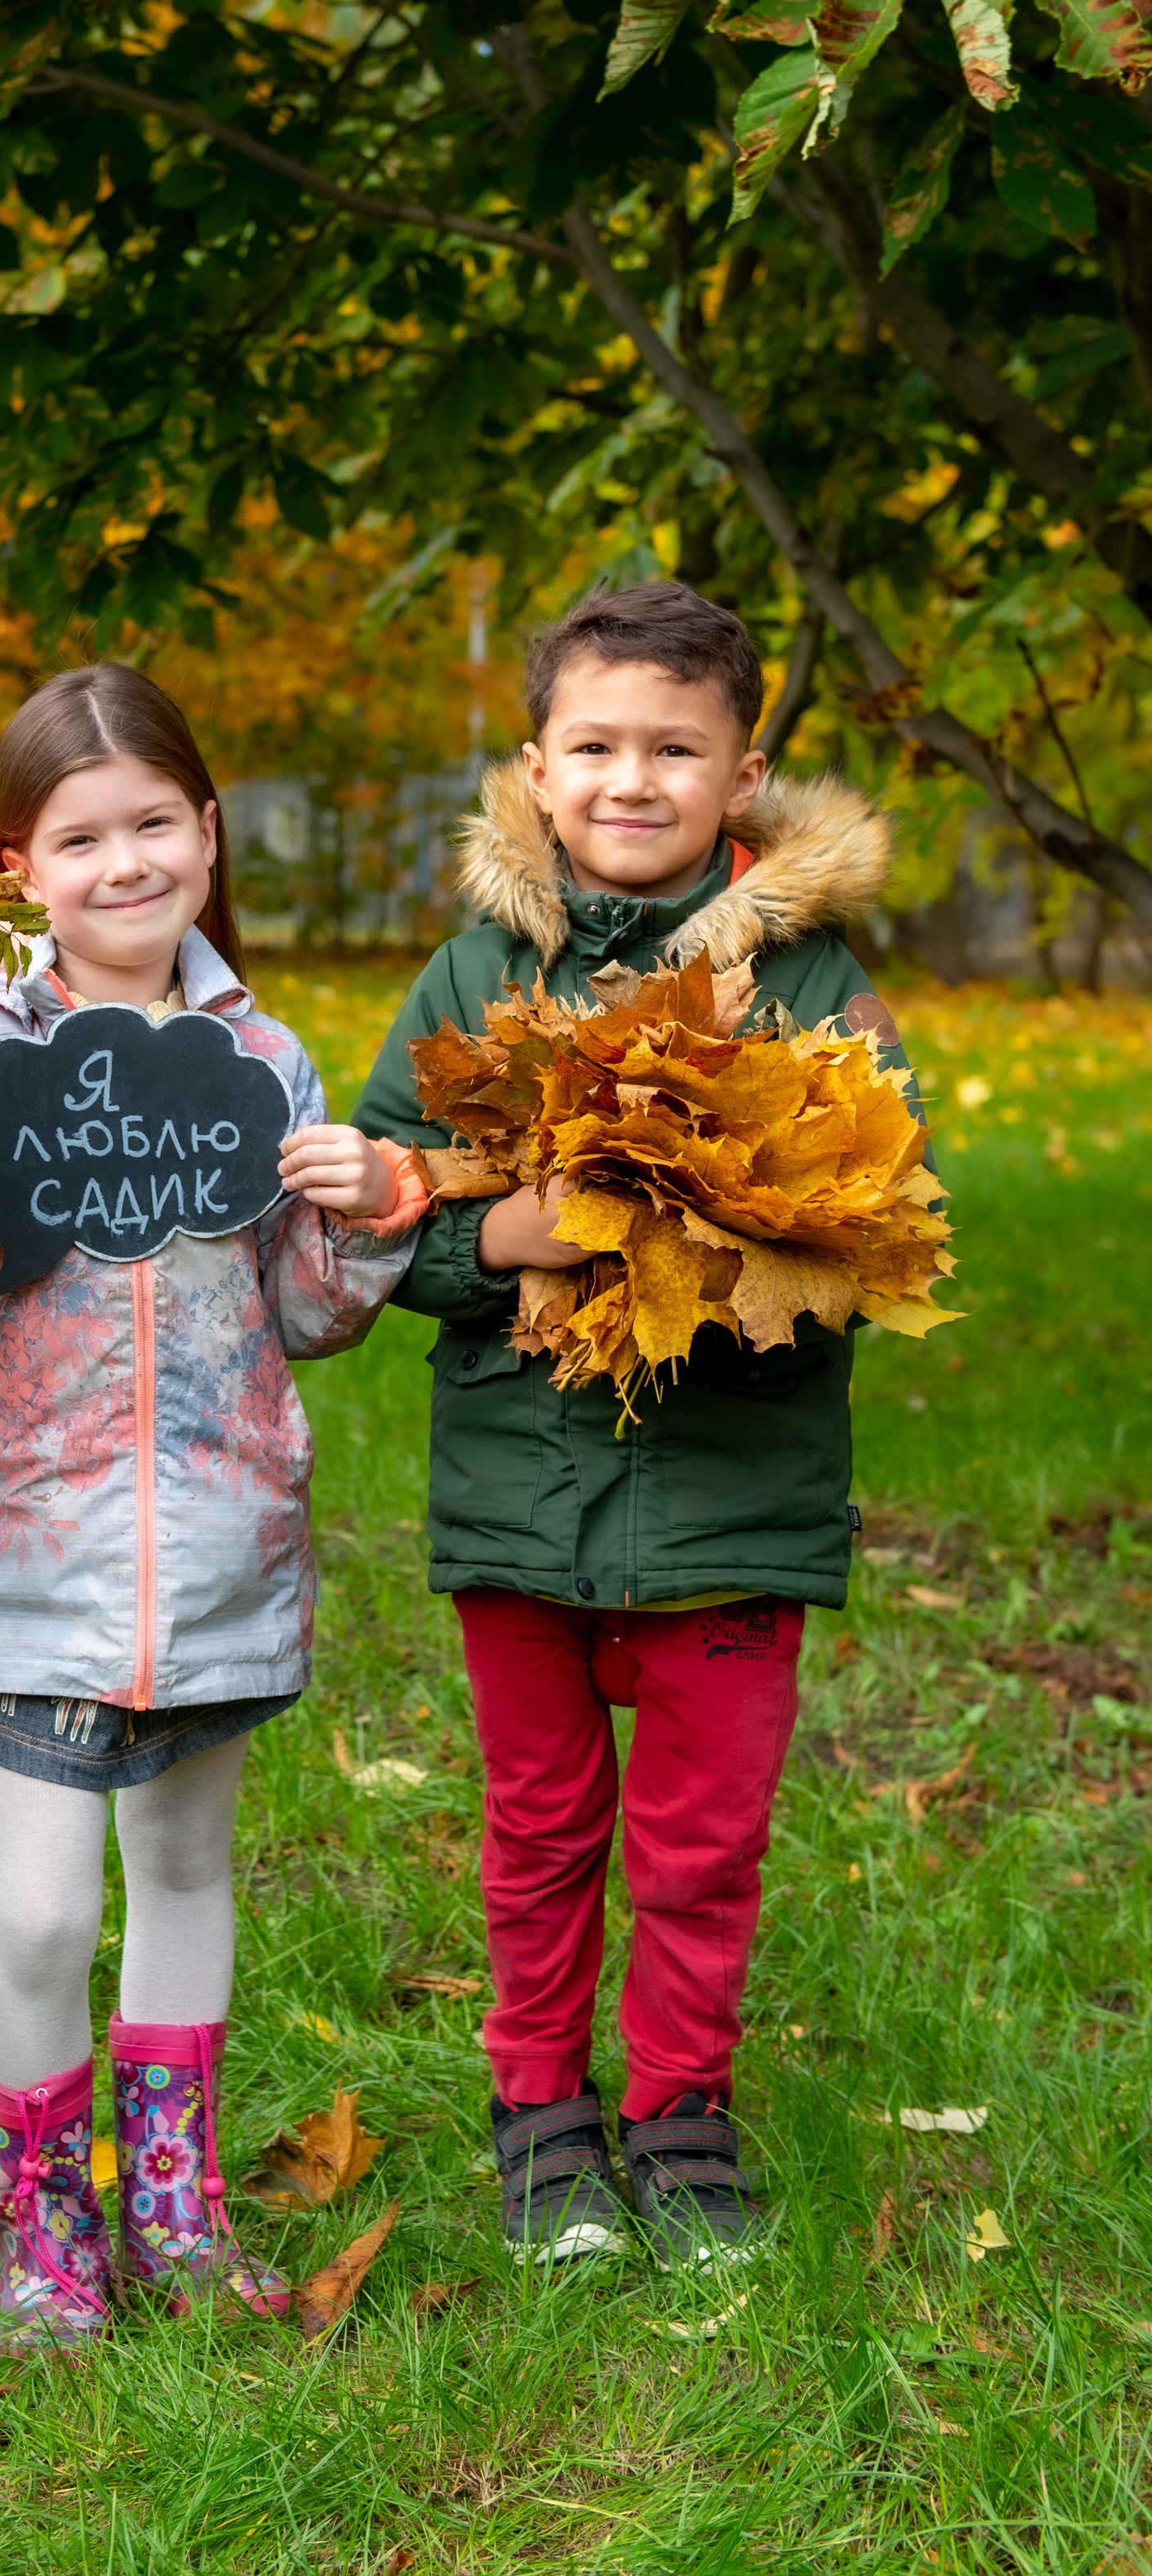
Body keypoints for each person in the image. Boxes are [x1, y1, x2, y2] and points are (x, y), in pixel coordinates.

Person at [0, 662, 426, 2352]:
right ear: (17, 865)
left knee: (180, 1867)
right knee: (36, 1901)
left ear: (205, 831)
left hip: (218, 1538)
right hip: (19, 1545)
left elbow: (306, 1310)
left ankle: (171, 2209)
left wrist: (365, 1212)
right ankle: (41, 2224)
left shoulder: (262, 1055)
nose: (122, 864)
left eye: (152, 824)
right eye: (77, 837)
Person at [353, 578, 910, 2271]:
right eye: (592, 746)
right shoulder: (476, 971)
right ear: (534, 765)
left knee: (697, 1842)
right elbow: (383, 1210)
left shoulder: (811, 980)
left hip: (730, 1497)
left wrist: (731, 1244)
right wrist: (497, 1238)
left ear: (740, 773)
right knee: (535, 1827)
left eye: (674, 749)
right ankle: (538, 2107)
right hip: (523, 1501)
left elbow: (884, 1220)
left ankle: (677, 2111)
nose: (629, 781)